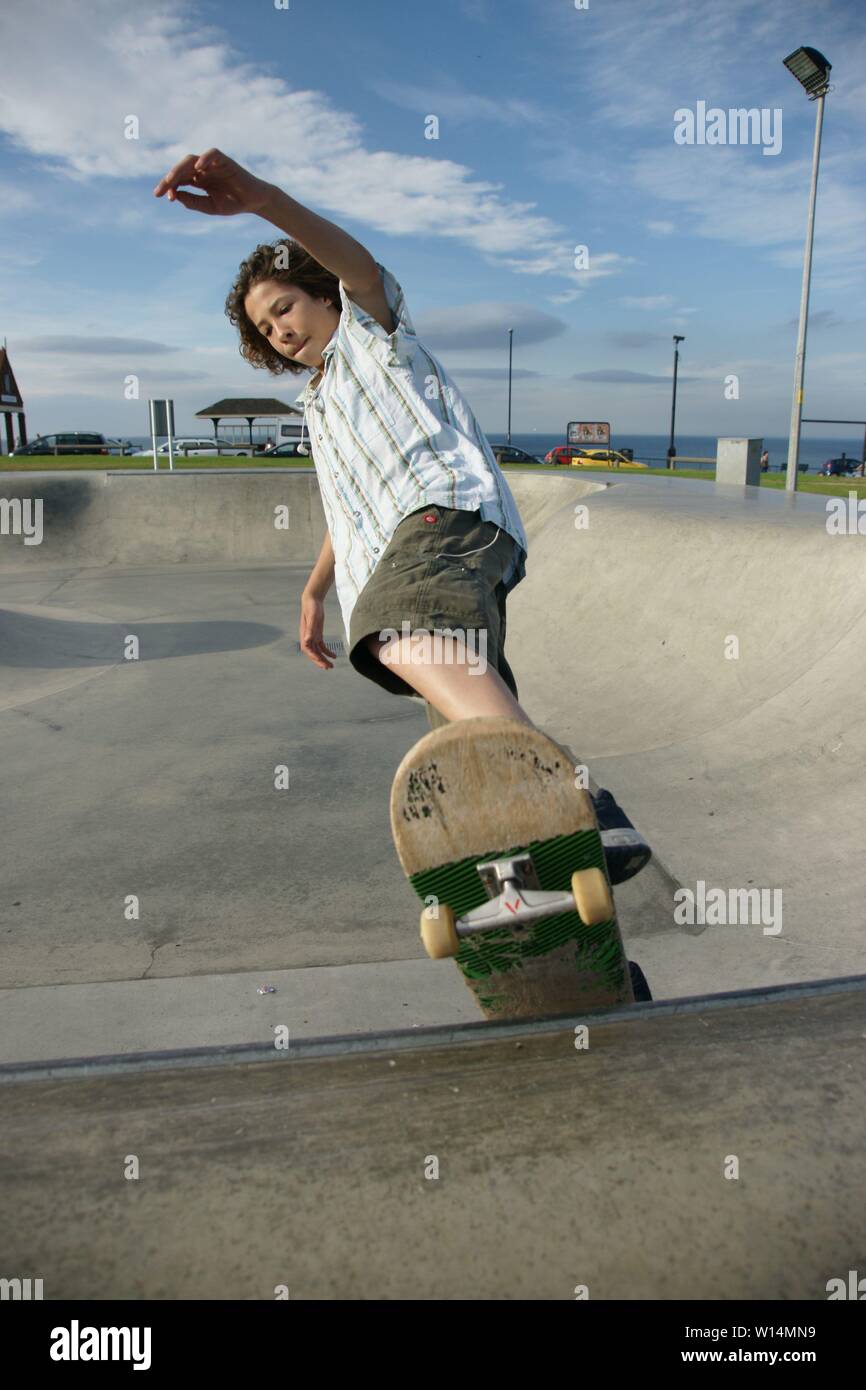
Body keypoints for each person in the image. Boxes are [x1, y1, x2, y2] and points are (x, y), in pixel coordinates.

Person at [152, 149, 651, 894]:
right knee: (469, 738)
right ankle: (551, 891)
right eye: (264, 329)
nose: (279, 332)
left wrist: (261, 199)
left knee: (397, 631)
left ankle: (579, 802)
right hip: (410, 544)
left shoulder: (372, 335)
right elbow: (349, 508)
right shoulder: (317, 407)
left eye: (284, 307)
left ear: (321, 296)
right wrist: (315, 591)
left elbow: (357, 264)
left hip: (446, 517)